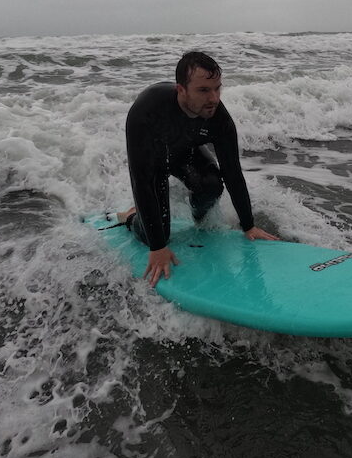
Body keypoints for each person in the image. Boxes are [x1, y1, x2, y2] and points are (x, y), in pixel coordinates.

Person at [118, 51, 279, 288]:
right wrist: (158, 247)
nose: (213, 98)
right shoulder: (147, 110)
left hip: (185, 154)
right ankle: (132, 216)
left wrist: (248, 225)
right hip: (154, 164)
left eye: (217, 88)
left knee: (212, 185)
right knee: (159, 234)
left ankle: (197, 222)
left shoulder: (218, 117)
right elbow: (141, 179)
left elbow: (232, 171)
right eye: (204, 90)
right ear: (181, 90)